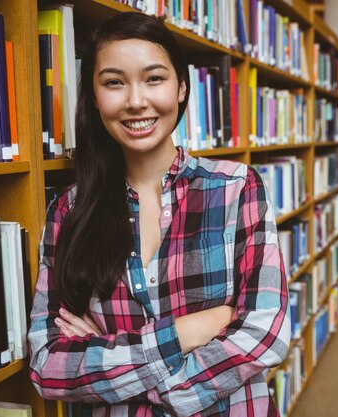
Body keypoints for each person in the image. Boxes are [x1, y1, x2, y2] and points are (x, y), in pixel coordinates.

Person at [28, 12, 290, 417]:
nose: (136, 101)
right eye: (114, 82)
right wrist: (186, 332)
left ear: (182, 88)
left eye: (154, 79)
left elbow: (264, 334)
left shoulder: (237, 187)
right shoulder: (69, 210)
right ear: (94, 96)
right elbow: (48, 367)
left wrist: (115, 364)